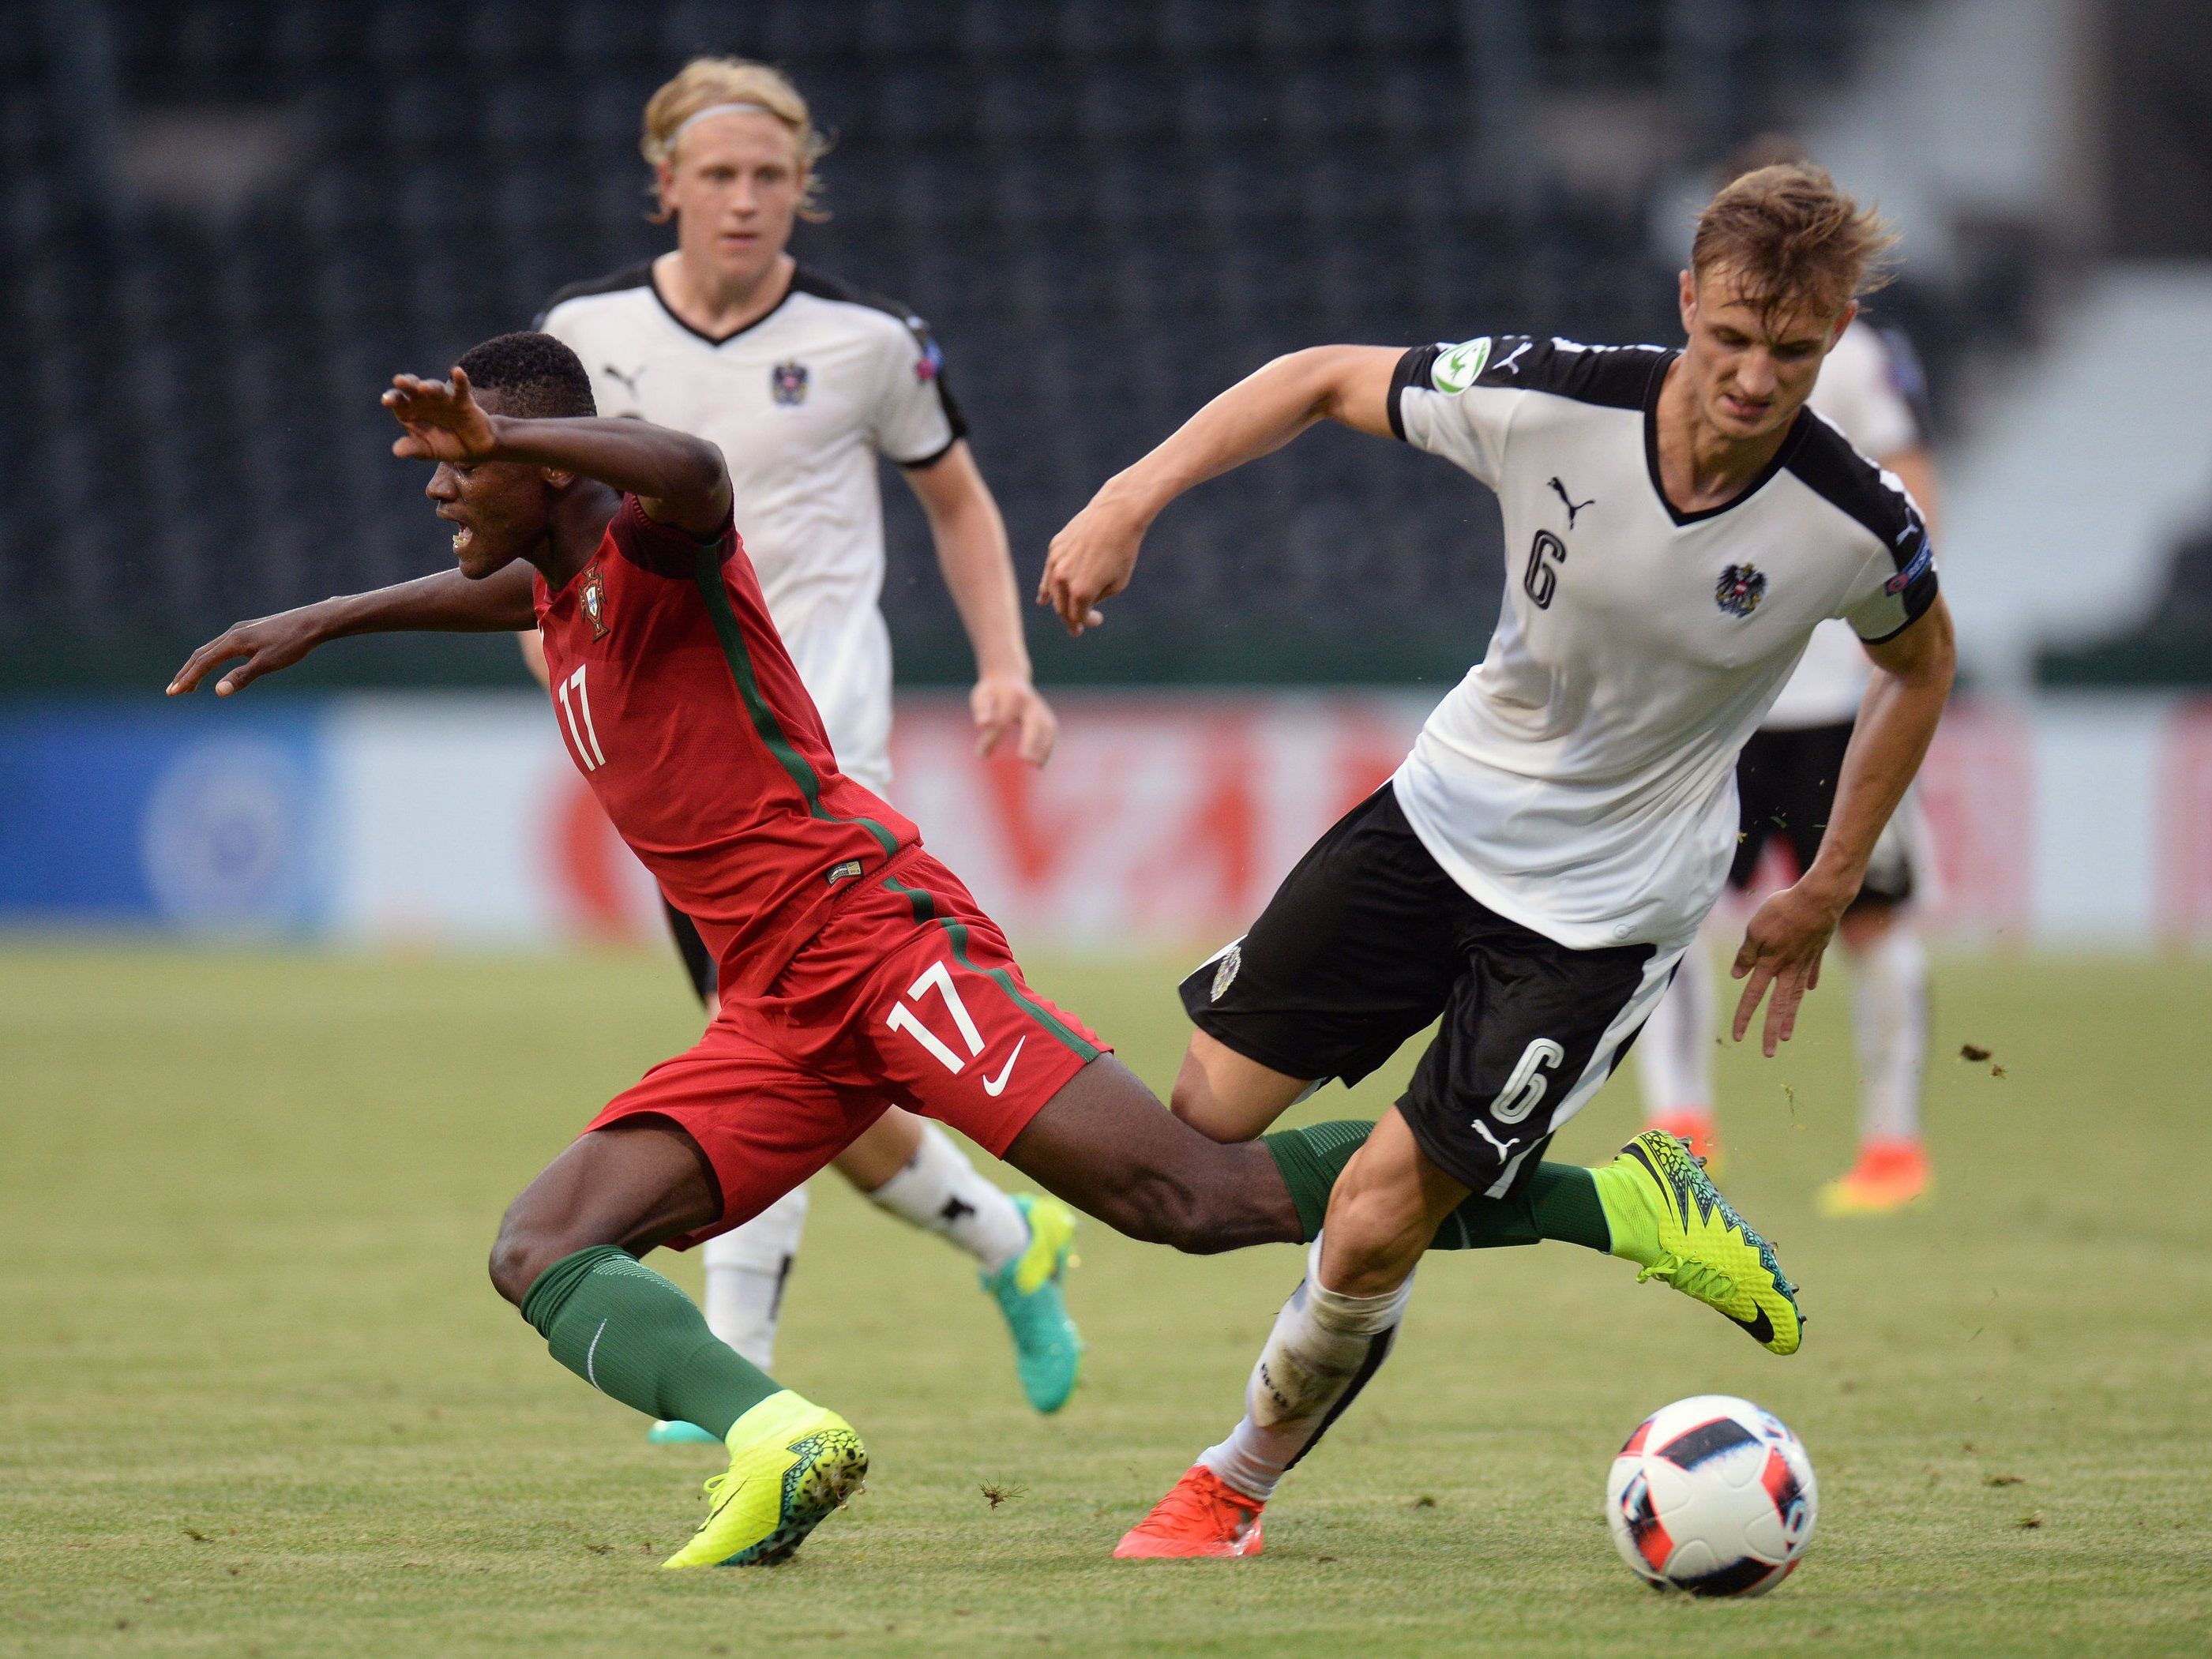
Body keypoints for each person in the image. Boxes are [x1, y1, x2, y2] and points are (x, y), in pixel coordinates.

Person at [169, 334, 1779, 1568]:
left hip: (876, 946)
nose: (442, 486)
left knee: (1190, 1198)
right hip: (780, 1011)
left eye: (462, 468)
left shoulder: (654, 550)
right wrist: (321, 618)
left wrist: (506, 429)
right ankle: (776, 1437)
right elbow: (500, 587)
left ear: (543, 469)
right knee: (537, 1246)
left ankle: (1603, 1197)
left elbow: (683, 468)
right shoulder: (557, 591)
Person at [1039, 163, 1953, 1559]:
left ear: (1835, 341)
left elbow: (1918, 668)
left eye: (1796, 351)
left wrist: (1829, 877)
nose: (1759, 378)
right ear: (1687, 301)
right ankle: (1615, 1199)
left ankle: (1231, 1487)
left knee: (1372, 1224)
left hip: (1600, 916)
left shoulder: (1851, 518)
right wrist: (1131, 495)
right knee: (1205, 1114)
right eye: (1732, 339)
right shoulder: (1552, 395)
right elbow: (1317, 376)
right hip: (1440, 817)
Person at [517, 58, 1081, 1429]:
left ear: (800, 192)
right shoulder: (584, 337)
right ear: (667, 185)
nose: (746, 199)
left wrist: (1004, 663)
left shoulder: (869, 346)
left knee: (752, 1034)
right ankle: (1011, 1241)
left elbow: (958, 504)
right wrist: (567, 668)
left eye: (771, 176)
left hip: (826, 752)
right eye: (719, 174)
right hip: (682, 766)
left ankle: (730, 1377)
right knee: (816, 1072)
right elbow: (543, 538)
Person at [1638, 264, 1942, 1214]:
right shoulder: (1693, 371)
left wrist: (1892, 622)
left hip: (1828, 706)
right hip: (1722, 705)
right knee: (1668, 913)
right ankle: (1681, 1129)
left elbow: (1913, 487)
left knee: (1864, 916)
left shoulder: (1846, 363)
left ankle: (1891, 1144)